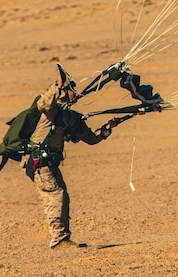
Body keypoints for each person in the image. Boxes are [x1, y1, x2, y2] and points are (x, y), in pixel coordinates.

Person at [27, 70, 115, 250]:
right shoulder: (51, 111)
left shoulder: (71, 118)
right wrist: (56, 86)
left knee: (61, 195)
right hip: (39, 162)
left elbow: (90, 139)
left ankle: (61, 238)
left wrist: (106, 129)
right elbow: (43, 103)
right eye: (71, 88)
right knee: (56, 196)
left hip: (49, 163)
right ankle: (59, 240)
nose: (74, 91)